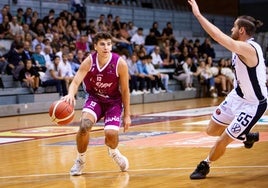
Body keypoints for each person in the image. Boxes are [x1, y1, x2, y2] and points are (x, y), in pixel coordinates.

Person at [188, 0, 267, 179]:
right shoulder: (239, 45)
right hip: (236, 97)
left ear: (241, 31)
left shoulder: (246, 48)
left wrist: (198, 15)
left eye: (233, 27)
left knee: (224, 138)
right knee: (211, 130)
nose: (231, 30)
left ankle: (205, 164)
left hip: (253, 104)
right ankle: (246, 135)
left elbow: (217, 36)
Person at [62, 32, 131, 176]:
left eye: (109, 44)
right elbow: (75, 82)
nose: (106, 47)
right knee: (83, 127)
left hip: (113, 102)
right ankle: (80, 160)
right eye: (102, 44)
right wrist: (70, 94)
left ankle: (113, 151)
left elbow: (125, 90)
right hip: (95, 99)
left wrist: (127, 115)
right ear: (95, 46)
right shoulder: (89, 61)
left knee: (111, 135)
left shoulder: (120, 63)